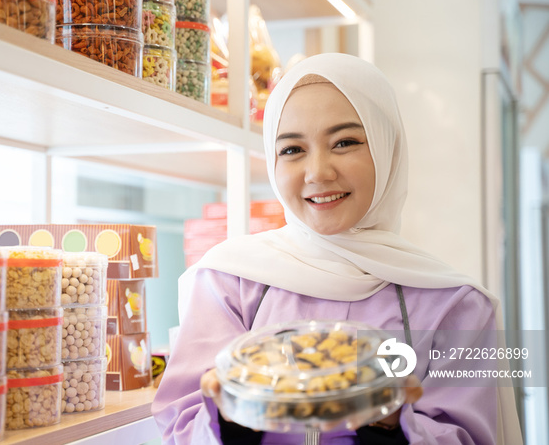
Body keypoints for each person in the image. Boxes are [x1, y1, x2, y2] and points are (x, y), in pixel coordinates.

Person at [151, 53, 522, 444]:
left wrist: (390, 420)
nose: (318, 173)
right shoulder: (228, 282)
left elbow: (468, 437)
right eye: (292, 150)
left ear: (386, 148)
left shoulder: (455, 305)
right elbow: (183, 427)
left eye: (344, 142)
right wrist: (231, 416)